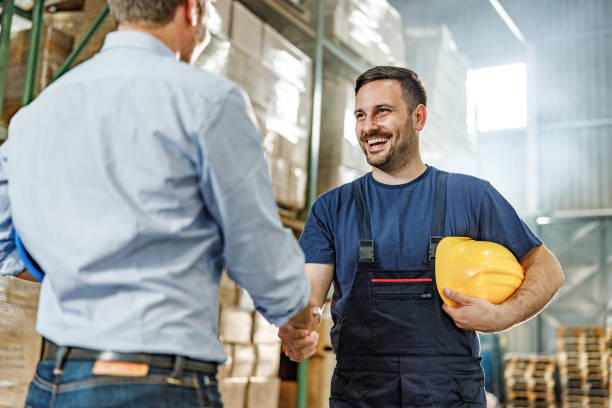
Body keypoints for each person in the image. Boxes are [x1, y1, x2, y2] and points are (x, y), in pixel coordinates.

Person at [0, 0, 317, 406]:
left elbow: (5, 245)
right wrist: (297, 317)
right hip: (158, 383)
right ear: (192, 10)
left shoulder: (37, 113)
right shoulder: (209, 101)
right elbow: (255, 248)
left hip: (57, 381)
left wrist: (80, 268)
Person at [279, 66, 564, 407]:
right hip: (361, 395)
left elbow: (548, 269)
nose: (368, 126)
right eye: (360, 115)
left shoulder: (470, 196)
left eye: (382, 111)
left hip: (450, 395)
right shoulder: (331, 208)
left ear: (418, 117)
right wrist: (297, 328)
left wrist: (502, 316)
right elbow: (309, 299)